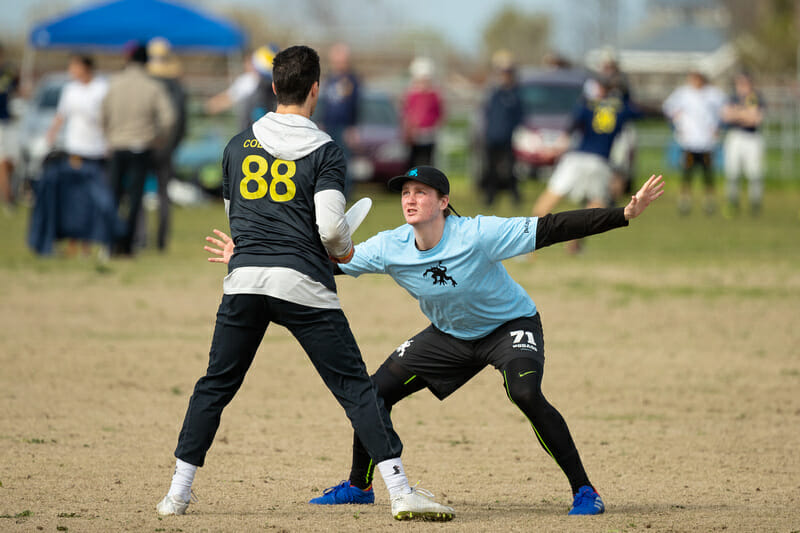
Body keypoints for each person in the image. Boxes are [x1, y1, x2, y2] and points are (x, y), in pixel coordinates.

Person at [206, 166, 665, 516]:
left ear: (443, 202)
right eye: (405, 193)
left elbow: (554, 227)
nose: (410, 200)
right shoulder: (391, 245)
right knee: (372, 394)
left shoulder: (479, 234)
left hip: (509, 326)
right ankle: (359, 487)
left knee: (525, 391)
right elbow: (324, 265)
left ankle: (585, 490)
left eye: (420, 193)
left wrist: (623, 214)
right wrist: (245, 255)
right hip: (448, 337)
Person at [156, 46, 454, 522]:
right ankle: (400, 491)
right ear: (316, 89)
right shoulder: (326, 150)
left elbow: (240, 222)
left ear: (274, 87)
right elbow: (333, 229)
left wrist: (245, 251)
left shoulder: (237, 145)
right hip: (303, 283)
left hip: (246, 278)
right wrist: (338, 253)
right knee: (356, 387)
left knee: (214, 385)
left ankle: (177, 493)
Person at [532, 76, 641, 252]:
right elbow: (640, 111)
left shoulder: (586, 105)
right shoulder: (622, 109)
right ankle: (574, 244)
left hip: (576, 158)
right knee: (597, 205)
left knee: (551, 197)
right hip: (600, 162)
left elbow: (568, 133)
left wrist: (553, 150)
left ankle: (528, 241)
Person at [101, 42, 175, 256]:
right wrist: (159, 138)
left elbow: (102, 114)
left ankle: (110, 243)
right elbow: (169, 119)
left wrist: (109, 136)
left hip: (117, 146)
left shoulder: (114, 83)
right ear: (146, 61)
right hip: (141, 148)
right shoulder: (153, 86)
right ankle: (127, 245)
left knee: (113, 196)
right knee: (135, 198)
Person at [662, 70, 726, 215]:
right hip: (689, 142)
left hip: (707, 142)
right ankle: (685, 202)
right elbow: (668, 108)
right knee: (687, 174)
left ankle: (709, 202)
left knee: (708, 174)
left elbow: (724, 109)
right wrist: (677, 123)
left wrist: (718, 126)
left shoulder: (713, 94)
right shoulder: (683, 93)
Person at [147, 38, 188, 251]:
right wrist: (173, 145)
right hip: (168, 147)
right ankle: (161, 241)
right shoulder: (177, 88)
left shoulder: (146, 85)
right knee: (164, 195)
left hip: (146, 144)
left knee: (139, 194)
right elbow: (182, 122)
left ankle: (140, 238)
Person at [481, 50, 523, 206]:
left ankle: (515, 196)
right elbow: (486, 114)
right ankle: (490, 197)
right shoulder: (494, 93)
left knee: (511, 169)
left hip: (508, 138)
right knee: (491, 168)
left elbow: (520, 116)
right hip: (492, 137)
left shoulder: (515, 94)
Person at [317, 42, 360, 198]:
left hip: (344, 126)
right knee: (329, 160)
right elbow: (325, 103)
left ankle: (345, 192)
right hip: (329, 125)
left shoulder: (351, 80)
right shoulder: (330, 78)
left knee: (344, 160)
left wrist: (353, 128)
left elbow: (355, 105)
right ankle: (331, 190)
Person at [721, 71, 766, 216]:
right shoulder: (732, 97)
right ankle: (732, 203)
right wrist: (744, 113)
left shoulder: (755, 98)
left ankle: (755, 204)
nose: (742, 86)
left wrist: (738, 113)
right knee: (732, 172)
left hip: (752, 138)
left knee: (755, 173)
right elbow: (726, 116)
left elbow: (755, 119)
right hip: (735, 137)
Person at [205, 45, 278, 131]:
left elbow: (227, 99)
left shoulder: (249, 81)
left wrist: (207, 107)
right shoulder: (275, 82)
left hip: (251, 132)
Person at [401, 57, 444, 168]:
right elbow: (406, 114)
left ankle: (426, 184)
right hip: (414, 136)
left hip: (429, 135)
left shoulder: (434, 95)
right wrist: (409, 129)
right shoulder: (411, 95)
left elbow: (440, 114)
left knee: (427, 162)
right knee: (413, 164)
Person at [0, 42, 19, 208]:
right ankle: (8, 198)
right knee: (3, 162)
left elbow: (15, 90)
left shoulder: (7, 73)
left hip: (6, 123)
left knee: (11, 161)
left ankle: (7, 194)